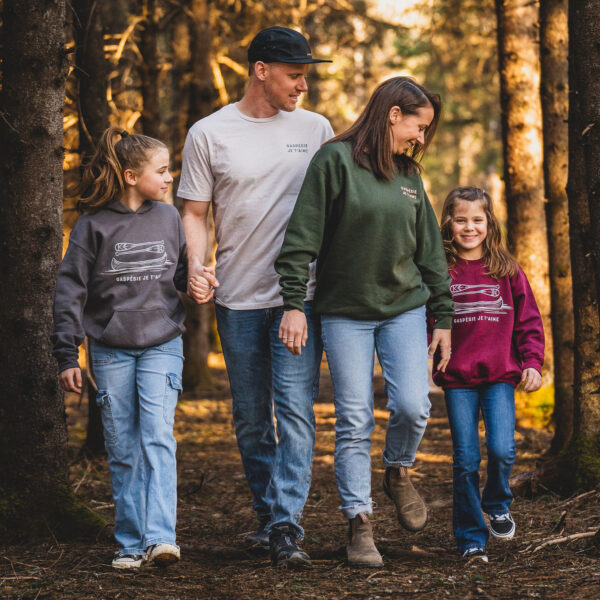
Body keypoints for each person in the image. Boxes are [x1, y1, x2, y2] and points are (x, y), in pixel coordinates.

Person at [275, 76, 453, 567]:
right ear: (394, 114)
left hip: (404, 308)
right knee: (353, 421)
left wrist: (443, 315)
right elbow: (300, 240)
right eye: (419, 127)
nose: (421, 138)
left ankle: (397, 470)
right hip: (345, 314)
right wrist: (293, 302)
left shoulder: (408, 175)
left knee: (414, 405)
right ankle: (360, 523)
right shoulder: (334, 161)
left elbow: (430, 252)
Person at [178, 26, 334, 567]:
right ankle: (269, 516)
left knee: (295, 411)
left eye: (307, 76)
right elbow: (194, 213)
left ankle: (287, 525)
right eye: (295, 75)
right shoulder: (209, 133)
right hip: (239, 299)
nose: (303, 86)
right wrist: (197, 265)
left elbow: (334, 207)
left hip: (302, 298)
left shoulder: (315, 129)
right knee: (250, 418)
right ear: (261, 70)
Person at [51, 127, 188, 570]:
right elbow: (70, 290)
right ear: (131, 175)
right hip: (110, 349)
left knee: (157, 437)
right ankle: (130, 542)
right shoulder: (92, 226)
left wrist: (200, 283)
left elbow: (182, 275)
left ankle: (161, 538)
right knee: (123, 445)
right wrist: (67, 354)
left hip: (162, 343)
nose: (169, 178)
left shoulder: (169, 218)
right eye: (162, 170)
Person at [434, 186, 544, 563]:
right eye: (460, 219)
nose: (469, 227)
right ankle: (470, 538)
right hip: (457, 379)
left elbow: (529, 320)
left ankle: (497, 502)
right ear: (448, 221)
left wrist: (532, 361)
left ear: (489, 223)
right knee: (465, 460)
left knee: (501, 449)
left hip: (499, 375)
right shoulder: (440, 270)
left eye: (476, 220)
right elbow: (428, 321)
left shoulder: (506, 269)